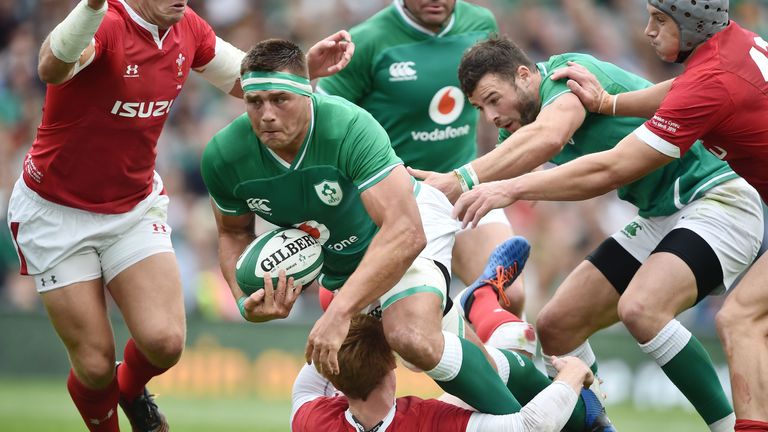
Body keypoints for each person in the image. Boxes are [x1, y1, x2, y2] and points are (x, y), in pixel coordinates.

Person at [201, 39, 614, 432]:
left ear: (306, 95)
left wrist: (340, 313)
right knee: (365, 369)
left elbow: (404, 233)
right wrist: (244, 300)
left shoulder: (347, 127)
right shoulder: (224, 156)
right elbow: (232, 233)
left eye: (280, 100)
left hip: (412, 226)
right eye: (255, 102)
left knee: (411, 337)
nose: (266, 114)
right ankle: (495, 315)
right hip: (345, 270)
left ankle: (551, 421)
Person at [4, 1, 353, 431]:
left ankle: (129, 388)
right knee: (94, 365)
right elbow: (51, 68)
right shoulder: (108, 23)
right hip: (57, 212)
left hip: (131, 206)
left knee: (165, 343)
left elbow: (245, 81)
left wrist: (301, 74)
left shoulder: (188, 27)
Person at [411, 34, 764, 432]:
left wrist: (469, 179)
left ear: (525, 75)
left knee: (642, 308)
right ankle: (599, 427)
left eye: (493, 99)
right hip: (660, 215)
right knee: (557, 325)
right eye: (480, 108)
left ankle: (727, 426)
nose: (490, 116)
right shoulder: (519, 130)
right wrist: (427, 200)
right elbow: (502, 171)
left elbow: (553, 142)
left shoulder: (567, 77)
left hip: (717, 196)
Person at [316, 0, 526, 318]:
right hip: (401, 201)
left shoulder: (480, 23)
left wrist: (525, 146)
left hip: (463, 184)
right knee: (410, 325)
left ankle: (497, 351)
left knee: (510, 295)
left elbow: (508, 93)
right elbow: (322, 121)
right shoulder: (368, 41)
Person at [291, 312, 596, 432]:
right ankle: (474, 305)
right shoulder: (430, 422)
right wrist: (573, 373)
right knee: (517, 343)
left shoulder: (313, 420)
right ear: (392, 363)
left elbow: (316, 368)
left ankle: (480, 305)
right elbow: (532, 426)